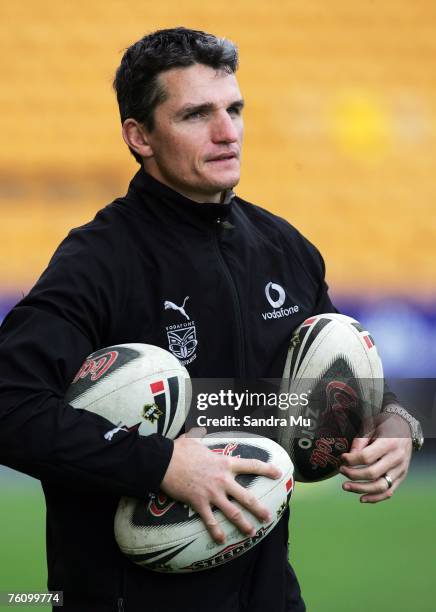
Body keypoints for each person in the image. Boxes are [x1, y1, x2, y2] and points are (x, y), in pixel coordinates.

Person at [0, 27, 420, 612]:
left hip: (269, 595)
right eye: (197, 114)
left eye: (234, 109)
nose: (227, 132)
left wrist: (394, 424)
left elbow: (337, 377)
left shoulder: (285, 248)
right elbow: (10, 406)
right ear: (139, 135)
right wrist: (162, 464)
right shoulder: (98, 260)